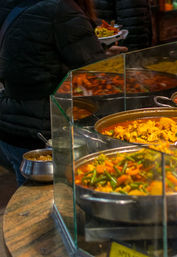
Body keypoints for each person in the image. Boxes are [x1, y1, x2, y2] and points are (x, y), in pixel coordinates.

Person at [0, 0, 127, 186]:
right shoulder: (61, 9)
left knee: (31, 193)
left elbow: (35, 55)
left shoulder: (14, 3)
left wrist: (101, 54)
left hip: (11, 123)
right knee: (60, 200)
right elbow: (94, 76)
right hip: (44, 132)